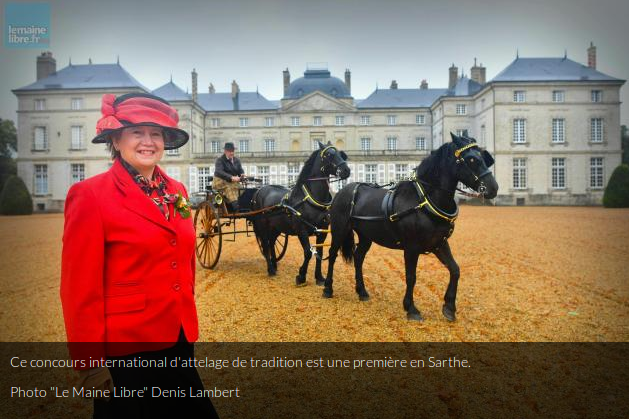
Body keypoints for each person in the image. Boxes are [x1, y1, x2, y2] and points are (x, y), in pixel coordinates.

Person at [60, 92, 219, 418]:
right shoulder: (90, 195)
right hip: (126, 351)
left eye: (156, 133)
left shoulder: (177, 191)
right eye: (137, 132)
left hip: (178, 338)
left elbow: (184, 255)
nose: (148, 141)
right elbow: (79, 290)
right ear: (116, 140)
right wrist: (90, 365)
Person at [213, 142, 245, 212]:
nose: (232, 153)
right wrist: (231, 177)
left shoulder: (237, 160)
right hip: (219, 181)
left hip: (232, 182)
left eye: (232, 151)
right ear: (225, 151)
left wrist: (242, 174)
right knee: (229, 187)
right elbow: (219, 172)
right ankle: (236, 207)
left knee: (242, 189)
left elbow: (240, 170)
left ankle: (243, 205)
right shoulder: (220, 160)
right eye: (230, 151)